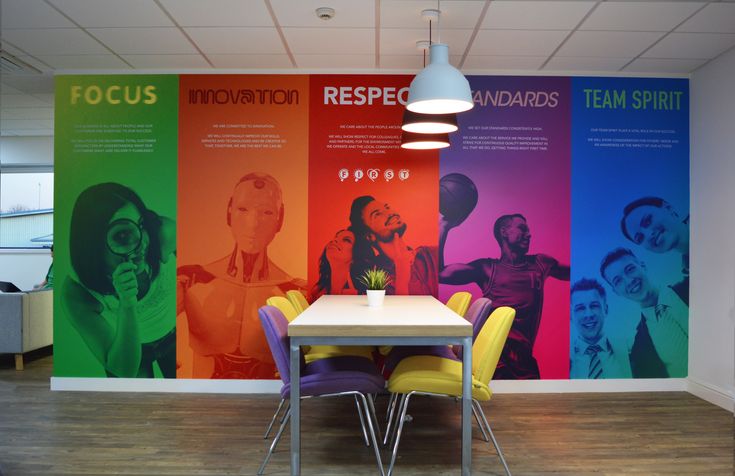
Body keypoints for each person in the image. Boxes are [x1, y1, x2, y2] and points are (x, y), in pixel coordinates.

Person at [177, 173, 305, 379]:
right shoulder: (192, 279)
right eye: (243, 209)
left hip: (267, 401)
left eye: (266, 212)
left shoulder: (294, 291)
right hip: (203, 401)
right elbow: (148, 326)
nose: (253, 223)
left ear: (280, 219)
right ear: (229, 212)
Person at [62, 183, 176, 378]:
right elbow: (123, 370)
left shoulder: (163, 233)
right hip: (131, 345)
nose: (141, 243)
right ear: (92, 244)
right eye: (123, 235)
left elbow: (202, 262)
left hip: (174, 335)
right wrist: (127, 304)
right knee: (134, 404)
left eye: (141, 225)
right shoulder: (77, 291)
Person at [439, 213, 569, 379]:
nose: (529, 234)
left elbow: (576, 272)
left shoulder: (540, 264)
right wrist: (444, 226)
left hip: (524, 361)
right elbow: (441, 274)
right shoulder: (486, 268)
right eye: (522, 229)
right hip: (494, 357)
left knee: (527, 401)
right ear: (504, 232)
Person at [600, 247, 688, 378]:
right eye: (618, 281)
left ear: (643, 266)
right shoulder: (639, 349)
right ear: (616, 292)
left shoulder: (690, 287)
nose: (629, 281)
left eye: (630, 269)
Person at [348, 195, 437, 296]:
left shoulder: (428, 254)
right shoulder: (375, 279)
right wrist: (402, 268)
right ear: (369, 236)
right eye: (377, 214)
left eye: (387, 207)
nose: (389, 213)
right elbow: (396, 311)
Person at [569, 278, 632, 379]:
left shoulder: (631, 350)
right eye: (580, 308)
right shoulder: (562, 358)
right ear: (570, 315)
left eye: (594, 306)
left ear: (605, 310)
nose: (588, 314)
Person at [308, 229, 358, 302]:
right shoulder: (317, 291)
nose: (334, 240)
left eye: (346, 240)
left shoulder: (356, 295)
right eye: (336, 238)